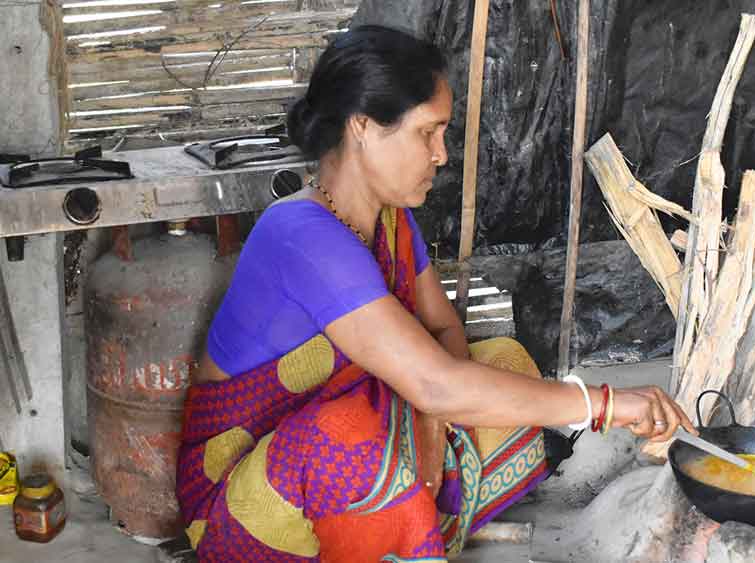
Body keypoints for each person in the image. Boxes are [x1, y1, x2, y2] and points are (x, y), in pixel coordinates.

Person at [176, 24, 695, 563]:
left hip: (375, 424)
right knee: (347, 436)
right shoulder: (301, 235)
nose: (441, 154)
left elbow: (445, 329)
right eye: (428, 133)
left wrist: (431, 420)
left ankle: (403, 510)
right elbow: (433, 381)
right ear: (363, 127)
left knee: (504, 361)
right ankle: (402, 516)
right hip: (245, 494)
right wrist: (604, 405)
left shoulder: (390, 221)